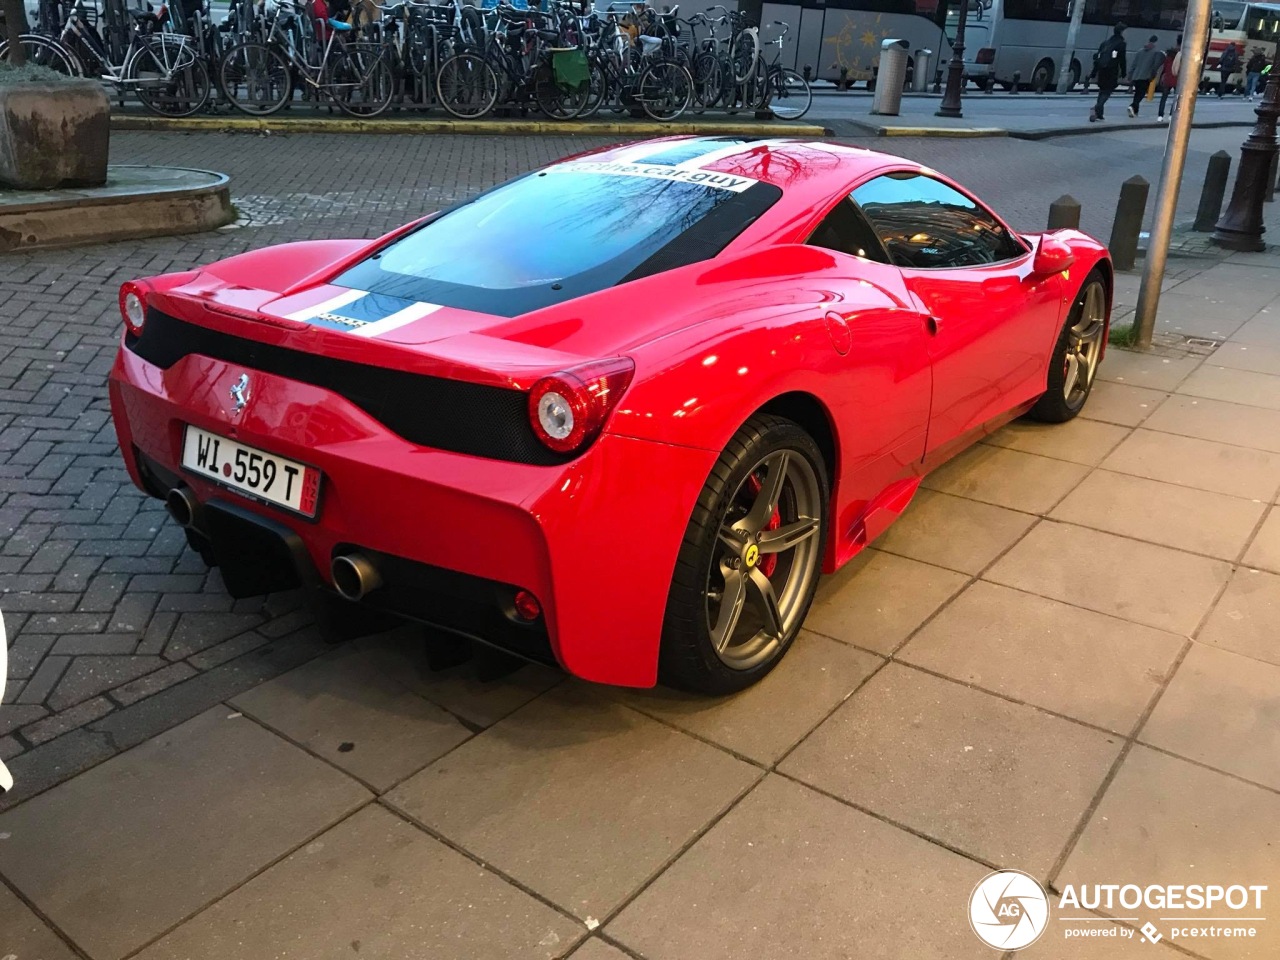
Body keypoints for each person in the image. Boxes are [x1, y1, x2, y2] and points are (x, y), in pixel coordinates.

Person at [1090, 23, 1127, 122]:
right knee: (1107, 91)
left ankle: (1099, 114)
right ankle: (1097, 108)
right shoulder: (1121, 44)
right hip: (1112, 70)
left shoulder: (1105, 43)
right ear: (1122, 32)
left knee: (1102, 90)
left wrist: (1093, 73)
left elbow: (1097, 58)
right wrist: (1124, 73)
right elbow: (1122, 59)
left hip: (1102, 69)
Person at [1127, 35, 1165, 116]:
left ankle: (1135, 111)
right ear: (1155, 42)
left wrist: (1130, 75)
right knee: (1141, 94)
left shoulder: (1140, 51)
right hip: (1145, 76)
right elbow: (1155, 66)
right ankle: (1132, 106)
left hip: (1136, 76)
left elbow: (1134, 64)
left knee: (1137, 93)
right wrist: (1153, 75)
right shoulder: (1155, 52)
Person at [1158, 34, 1181, 120]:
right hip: (1177, 79)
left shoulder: (1169, 54)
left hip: (1167, 78)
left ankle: (1160, 116)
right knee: (1176, 98)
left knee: (1163, 97)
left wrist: (1161, 77)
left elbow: (1164, 67)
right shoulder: (1182, 55)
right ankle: (1171, 115)